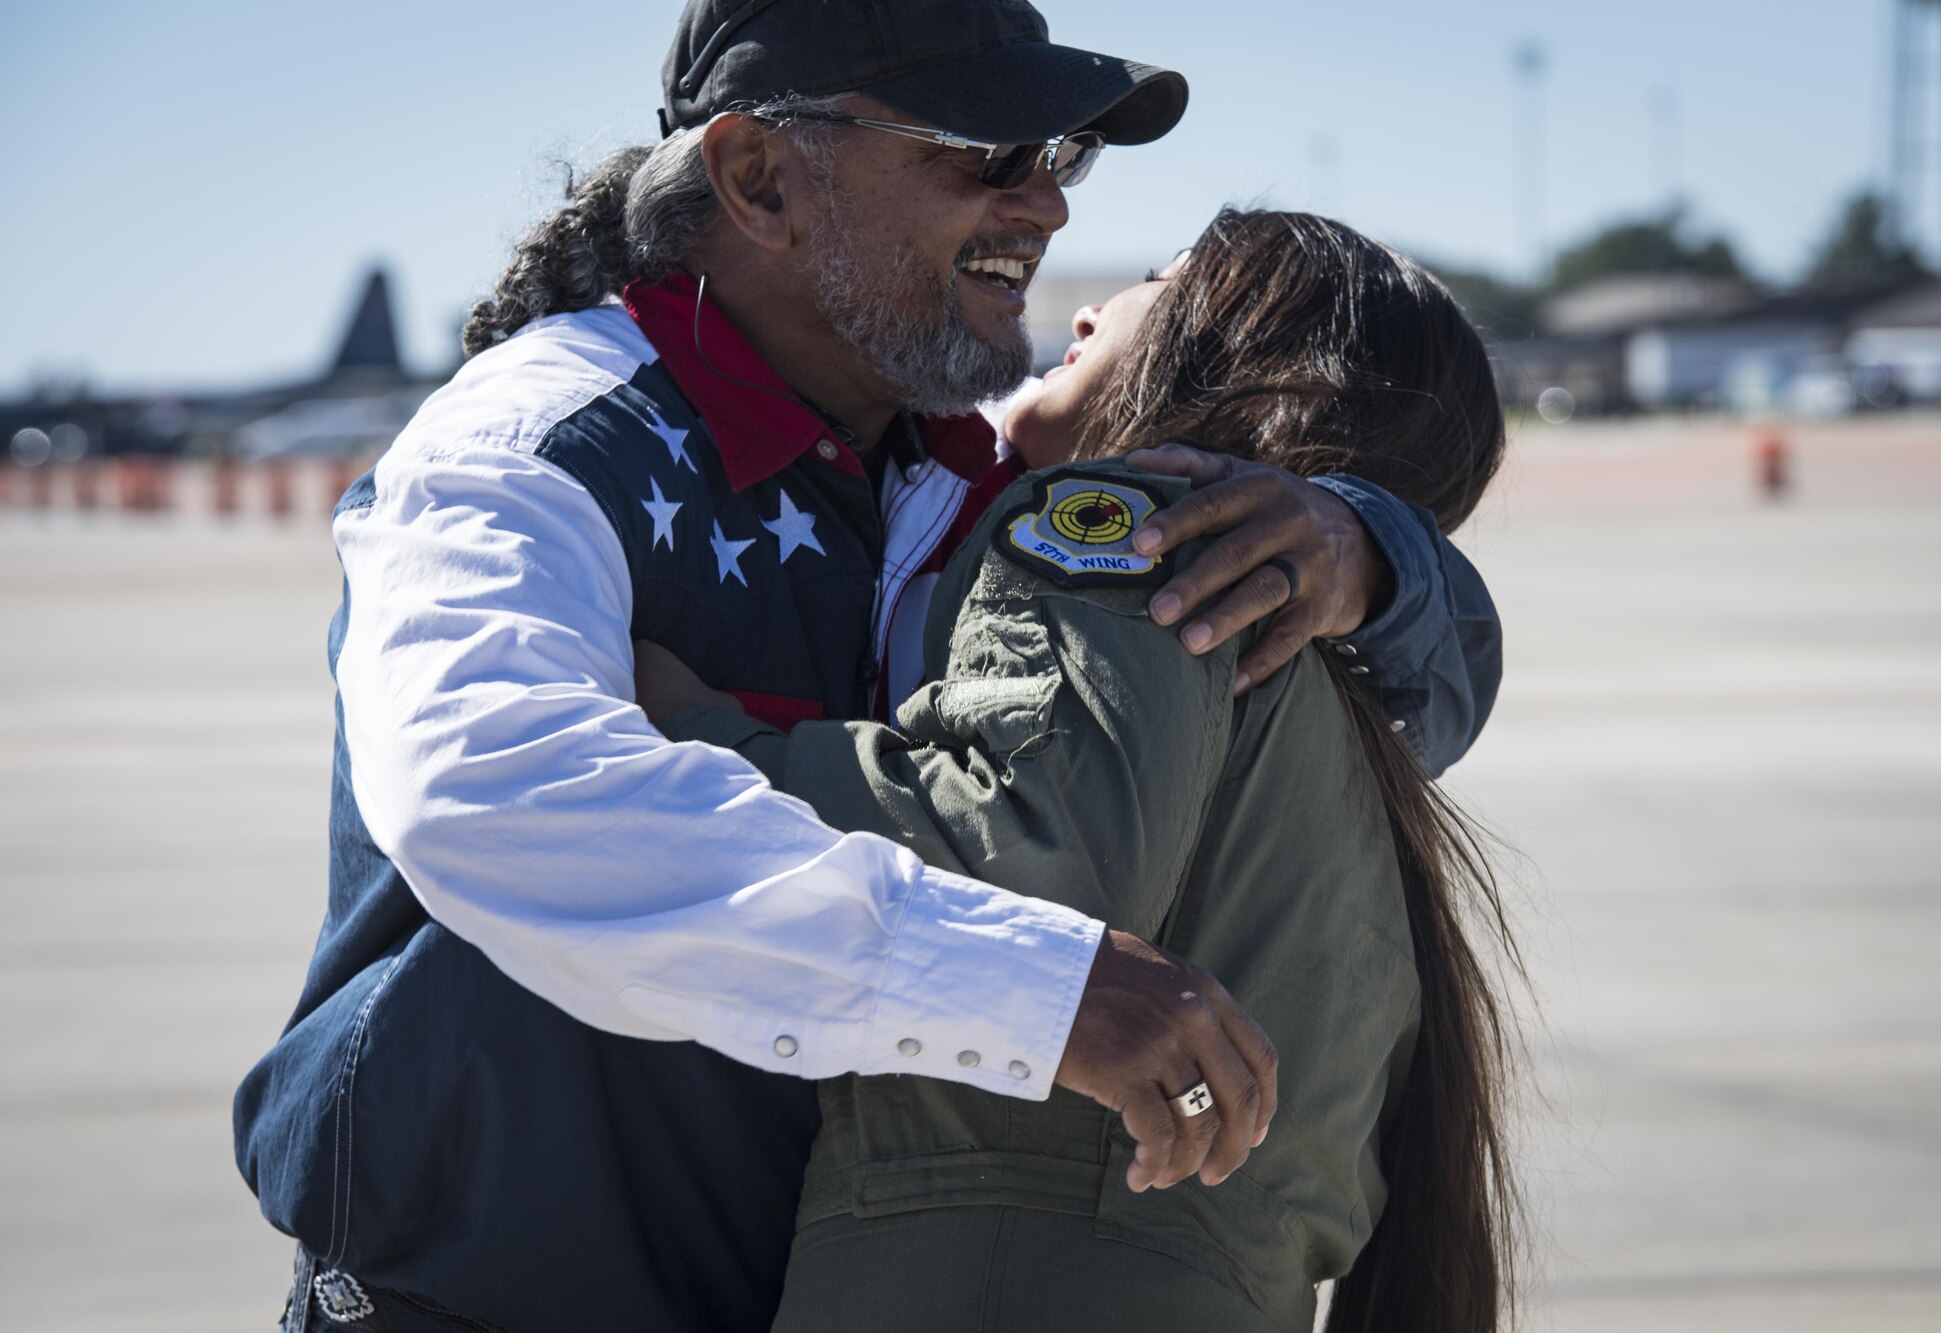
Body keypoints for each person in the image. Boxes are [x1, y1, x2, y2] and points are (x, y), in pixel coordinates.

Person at [233, 4, 1504, 1331]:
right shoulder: (538, 443)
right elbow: (488, 795)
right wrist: (1028, 988)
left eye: (1058, 154)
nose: (1047, 207)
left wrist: (1375, 549)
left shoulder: (968, 468)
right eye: (984, 150)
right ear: (760, 180)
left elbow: (1382, 698)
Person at [637, 210, 1519, 1332]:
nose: (1092, 305)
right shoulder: (1347, 722)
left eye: (1161, 280)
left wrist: (694, 735)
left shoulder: (1124, 531)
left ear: (1256, 358)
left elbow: (1030, 865)